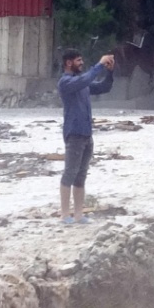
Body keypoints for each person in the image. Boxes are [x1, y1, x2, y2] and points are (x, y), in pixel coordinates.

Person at [56, 48, 115, 224]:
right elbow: (86, 79)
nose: (82, 63)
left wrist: (110, 72)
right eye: (78, 60)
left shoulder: (82, 83)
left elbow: (104, 87)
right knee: (69, 173)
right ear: (68, 63)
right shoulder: (65, 82)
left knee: (81, 176)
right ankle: (65, 215)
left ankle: (79, 214)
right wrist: (99, 64)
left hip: (87, 134)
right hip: (74, 134)